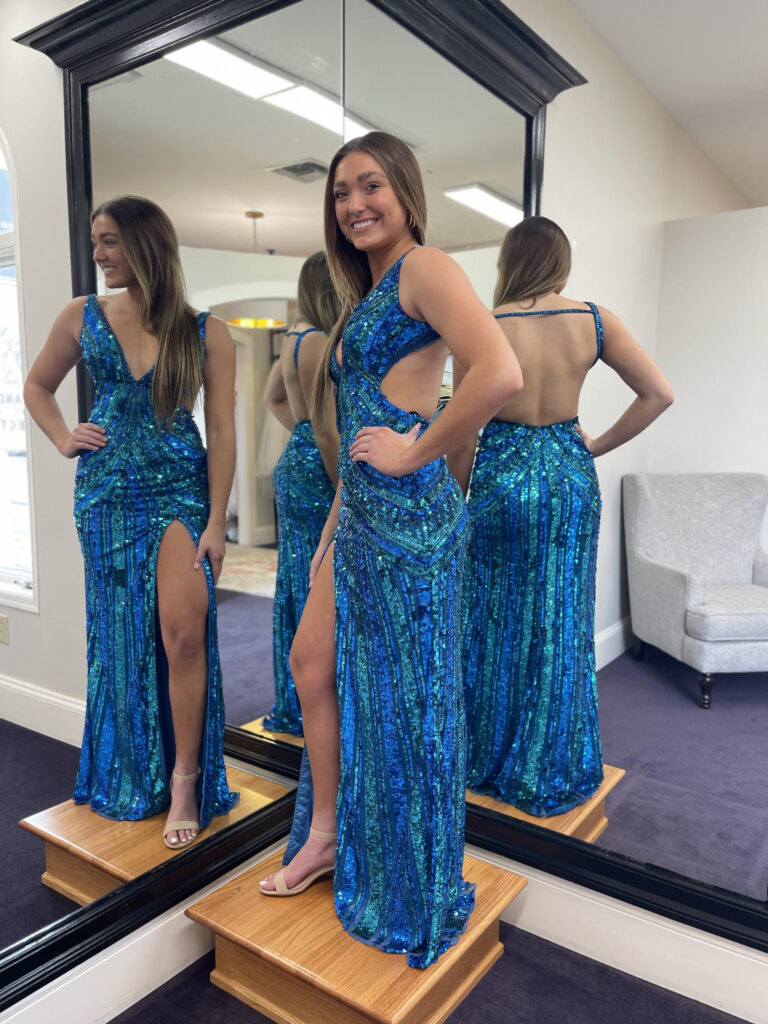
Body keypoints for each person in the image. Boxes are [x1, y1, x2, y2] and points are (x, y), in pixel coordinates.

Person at [259, 132, 523, 969]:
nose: (354, 203)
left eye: (370, 185)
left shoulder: (427, 266)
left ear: (405, 192)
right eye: (341, 192)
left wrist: (417, 450)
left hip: (413, 519)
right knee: (312, 664)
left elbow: (500, 373)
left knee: (408, 700)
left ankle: (408, 869)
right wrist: (329, 534)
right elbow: (359, 418)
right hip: (362, 516)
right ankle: (331, 834)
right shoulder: (363, 292)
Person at [23, 195, 238, 848]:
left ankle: (184, 778)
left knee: (182, 634)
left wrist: (214, 521)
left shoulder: (206, 330)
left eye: (109, 240)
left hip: (178, 490)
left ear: (145, 244)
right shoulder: (80, 316)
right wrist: (63, 437)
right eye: (96, 241)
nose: (98, 254)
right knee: (120, 640)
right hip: (108, 495)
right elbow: (37, 386)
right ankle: (128, 768)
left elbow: (224, 431)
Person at [452, 215, 674, 816]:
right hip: (569, 477)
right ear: (561, 262)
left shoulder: (485, 326)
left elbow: (462, 432)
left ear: (509, 264)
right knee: (560, 618)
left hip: (500, 480)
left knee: (493, 618)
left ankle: (489, 759)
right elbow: (659, 393)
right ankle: (549, 761)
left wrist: (463, 495)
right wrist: (593, 445)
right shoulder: (592, 320)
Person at [263, 252, 341, 735]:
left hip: (296, 461)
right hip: (315, 471)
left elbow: (274, 397)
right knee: (317, 575)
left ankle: (296, 693)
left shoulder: (295, 334)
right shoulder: (316, 340)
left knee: (298, 573)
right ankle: (311, 691)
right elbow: (330, 430)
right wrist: (341, 485)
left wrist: (301, 434)